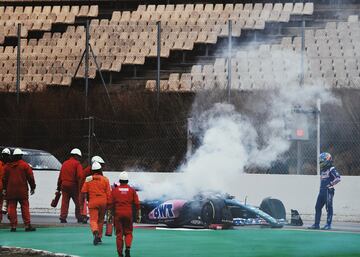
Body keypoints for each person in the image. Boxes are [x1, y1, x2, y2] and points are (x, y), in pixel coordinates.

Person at [3, 148, 36, 232]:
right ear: (21, 156)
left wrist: (4, 189)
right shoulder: (25, 165)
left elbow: (4, 179)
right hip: (22, 191)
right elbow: (30, 177)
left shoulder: (7, 166)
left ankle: (13, 226)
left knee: (12, 207)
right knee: (25, 207)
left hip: (11, 191)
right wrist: (33, 187)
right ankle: (27, 225)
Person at [111, 171, 141, 257]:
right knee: (128, 233)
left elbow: (110, 203)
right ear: (127, 181)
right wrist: (138, 215)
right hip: (128, 214)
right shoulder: (132, 190)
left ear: (119, 181)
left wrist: (110, 215)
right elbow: (137, 204)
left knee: (119, 235)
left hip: (117, 214)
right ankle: (128, 248)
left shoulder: (115, 190)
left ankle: (120, 254)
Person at [81, 161, 111, 245]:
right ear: (100, 170)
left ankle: (95, 232)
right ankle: (99, 238)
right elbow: (108, 193)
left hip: (93, 202)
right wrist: (109, 204)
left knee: (93, 220)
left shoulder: (88, 179)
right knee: (101, 220)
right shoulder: (105, 179)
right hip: (103, 202)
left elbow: (83, 191)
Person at [308, 152, 341, 230]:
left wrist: (331, 184)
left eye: (322, 161)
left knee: (329, 208)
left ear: (327, 160)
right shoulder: (323, 170)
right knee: (317, 207)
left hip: (328, 191)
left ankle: (328, 225)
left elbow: (338, 178)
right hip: (322, 191)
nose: (320, 163)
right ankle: (316, 225)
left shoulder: (331, 169)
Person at [57, 148, 83, 223]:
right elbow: (80, 176)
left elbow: (60, 176)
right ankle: (79, 217)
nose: (79, 158)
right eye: (79, 157)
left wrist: (58, 187)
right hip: (73, 185)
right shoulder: (77, 164)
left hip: (64, 185)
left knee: (64, 202)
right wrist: (81, 187)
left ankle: (63, 217)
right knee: (78, 202)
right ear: (76, 156)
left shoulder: (64, 163)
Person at [79, 156, 106, 224]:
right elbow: (82, 181)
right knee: (84, 202)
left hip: (93, 190)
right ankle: (84, 216)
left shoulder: (97, 171)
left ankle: (97, 217)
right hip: (87, 189)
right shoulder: (87, 171)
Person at [0, 148, 11, 223]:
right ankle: (9, 214)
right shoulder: (11, 165)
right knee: (10, 202)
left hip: (4, 186)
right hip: (7, 186)